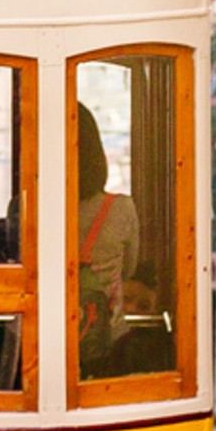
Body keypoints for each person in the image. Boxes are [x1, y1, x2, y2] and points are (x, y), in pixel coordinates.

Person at [78, 109, 139, 375]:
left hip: (39, 347)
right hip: (111, 347)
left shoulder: (24, 209)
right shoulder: (121, 209)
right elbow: (129, 270)